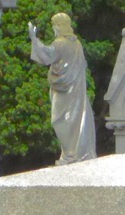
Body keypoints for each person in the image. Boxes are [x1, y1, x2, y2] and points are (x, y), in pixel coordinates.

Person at [29, 12, 97, 164]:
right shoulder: (76, 43)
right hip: (76, 91)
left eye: (54, 26)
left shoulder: (61, 43)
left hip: (66, 92)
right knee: (75, 120)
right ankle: (73, 153)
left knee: (60, 120)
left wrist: (34, 39)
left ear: (60, 26)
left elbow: (47, 55)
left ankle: (70, 154)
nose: (53, 29)